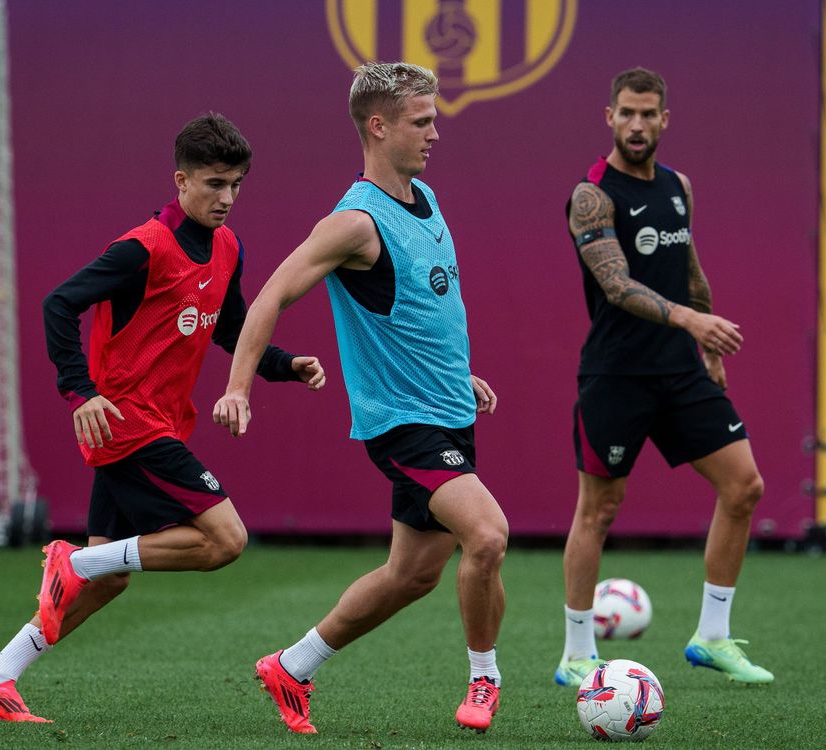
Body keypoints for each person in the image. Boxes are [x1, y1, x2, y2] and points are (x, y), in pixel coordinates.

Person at [0, 113, 326, 722]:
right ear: (181, 181)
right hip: (127, 425)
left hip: (160, 421)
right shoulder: (142, 249)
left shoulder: (228, 247)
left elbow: (230, 329)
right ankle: (70, 562)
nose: (227, 198)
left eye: (236, 184)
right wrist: (81, 392)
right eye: (213, 183)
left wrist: (283, 365)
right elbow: (59, 304)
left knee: (109, 578)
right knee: (225, 540)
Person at [215, 62, 509, 734]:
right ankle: (485, 679)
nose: (436, 132)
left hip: (448, 411)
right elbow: (271, 296)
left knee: (411, 575)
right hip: (402, 425)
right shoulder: (352, 223)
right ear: (378, 126)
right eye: (422, 120)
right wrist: (238, 386)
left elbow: (423, 307)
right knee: (488, 536)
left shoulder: (425, 199)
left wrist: (457, 372)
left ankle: (292, 666)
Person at [554, 68, 773, 687]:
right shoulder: (591, 195)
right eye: (627, 113)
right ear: (610, 117)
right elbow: (617, 285)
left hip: (681, 370)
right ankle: (576, 654)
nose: (638, 125)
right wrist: (691, 322)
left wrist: (709, 345)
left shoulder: (679, 186)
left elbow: (688, 268)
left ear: (664, 120)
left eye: (649, 115)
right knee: (599, 509)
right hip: (616, 375)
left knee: (744, 487)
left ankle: (713, 637)